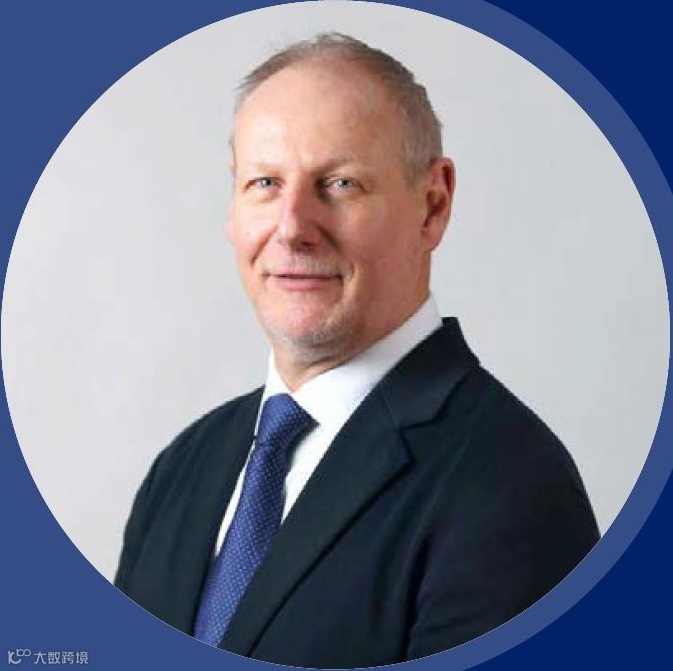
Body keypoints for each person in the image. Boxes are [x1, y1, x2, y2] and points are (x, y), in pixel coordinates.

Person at [114, 33, 599, 667]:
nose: (292, 227)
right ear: (233, 204)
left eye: (340, 184)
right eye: (265, 183)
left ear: (432, 206)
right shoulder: (183, 468)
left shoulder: (510, 488)